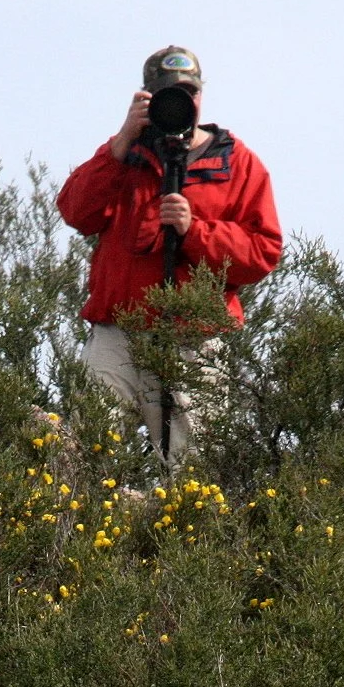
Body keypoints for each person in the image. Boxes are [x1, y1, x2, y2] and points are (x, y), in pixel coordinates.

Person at [57, 45, 282, 464]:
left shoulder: (237, 162)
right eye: (167, 93)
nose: (181, 102)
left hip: (195, 338)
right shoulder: (125, 154)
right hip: (118, 332)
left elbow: (262, 253)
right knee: (87, 454)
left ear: (200, 95)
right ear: (146, 96)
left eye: (188, 92)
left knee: (194, 467)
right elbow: (75, 211)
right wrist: (121, 141)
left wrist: (195, 231)